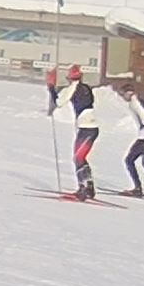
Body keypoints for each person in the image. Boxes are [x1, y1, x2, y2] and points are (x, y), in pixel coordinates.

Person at [65, 65, 100, 200]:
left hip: (86, 129)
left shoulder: (74, 89)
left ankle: (83, 187)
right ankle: (89, 186)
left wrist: (51, 87)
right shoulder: (86, 88)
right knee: (81, 157)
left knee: (78, 158)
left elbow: (59, 101)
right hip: (90, 128)